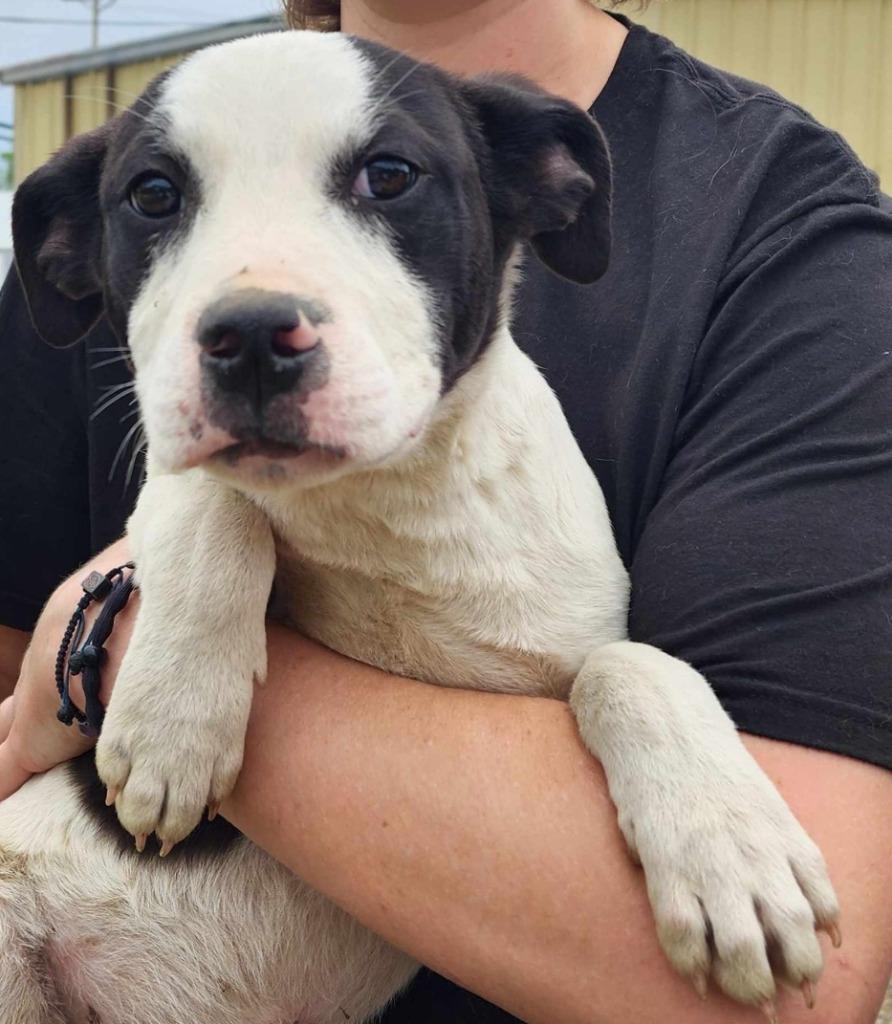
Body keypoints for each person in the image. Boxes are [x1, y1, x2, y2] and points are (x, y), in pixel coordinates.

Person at [0, 1, 890, 1021]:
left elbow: (807, 991)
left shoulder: (782, 223)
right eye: (158, 197)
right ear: (76, 249)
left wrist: (102, 637)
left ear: (543, 196)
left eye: (385, 181)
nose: (250, 306)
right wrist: (200, 545)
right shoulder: (118, 392)